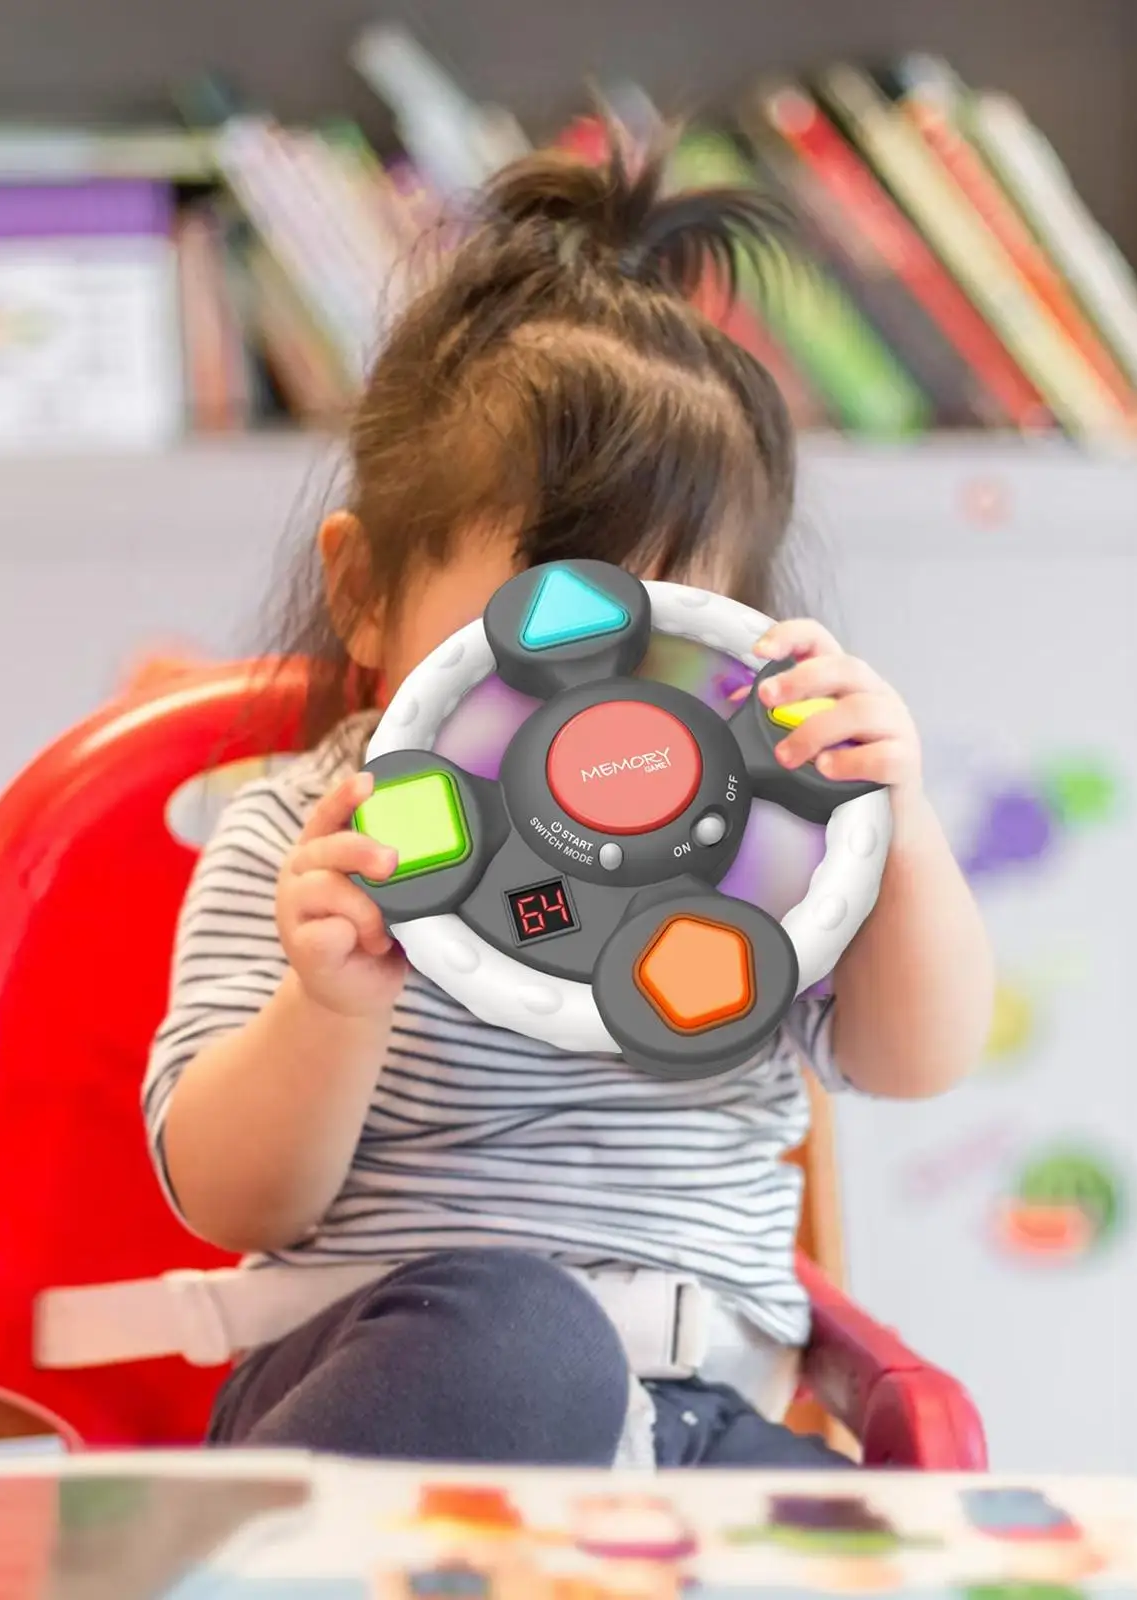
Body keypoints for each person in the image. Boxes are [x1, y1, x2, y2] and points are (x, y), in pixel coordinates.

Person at [142, 127, 994, 1471]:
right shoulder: (310, 837)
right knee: (521, 1339)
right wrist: (330, 1006)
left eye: (656, 630)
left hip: (701, 1415)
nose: (596, 703)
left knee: (873, 1547)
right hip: (403, 1387)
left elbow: (917, 1057)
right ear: (367, 595)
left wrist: (899, 827)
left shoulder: (754, 842)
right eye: (546, 627)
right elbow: (228, 1192)